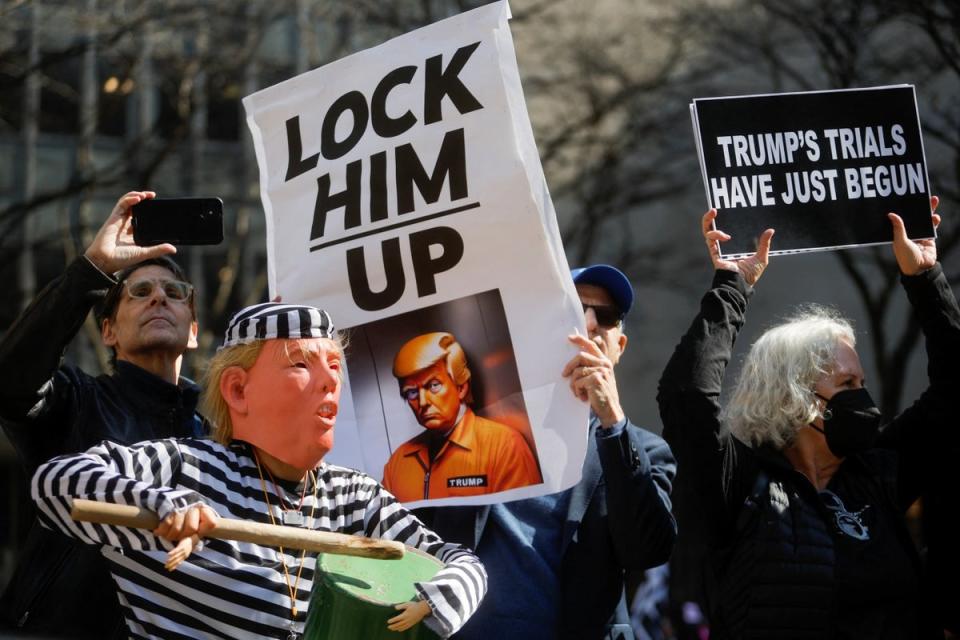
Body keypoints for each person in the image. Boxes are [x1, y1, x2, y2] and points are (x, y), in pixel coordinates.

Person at [30, 302, 488, 639]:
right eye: (301, 364)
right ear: (238, 390)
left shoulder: (356, 497)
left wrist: (439, 597)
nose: (331, 380)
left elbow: (461, 562)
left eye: (333, 365)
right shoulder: (185, 468)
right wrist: (166, 506)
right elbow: (52, 485)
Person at [657, 201, 952, 638]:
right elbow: (687, 397)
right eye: (847, 384)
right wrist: (733, 285)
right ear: (794, 396)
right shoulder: (739, 482)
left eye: (861, 382)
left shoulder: (879, 473)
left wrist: (926, 278)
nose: (863, 398)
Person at [416, 264, 677, 639]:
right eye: (572, 309)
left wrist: (612, 422)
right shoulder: (473, 430)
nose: (588, 324)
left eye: (605, 318)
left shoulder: (646, 450)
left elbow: (647, 550)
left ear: (619, 346)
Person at [0, 191, 204, 638]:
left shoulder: (215, 434)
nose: (158, 299)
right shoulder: (75, 401)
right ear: (108, 331)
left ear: (192, 332)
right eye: (140, 292)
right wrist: (92, 269)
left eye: (174, 293)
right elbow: (10, 382)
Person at [383, 331, 542, 501]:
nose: (423, 402)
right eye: (412, 393)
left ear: (461, 388)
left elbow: (524, 523)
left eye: (434, 385)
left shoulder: (504, 446)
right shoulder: (398, 462)